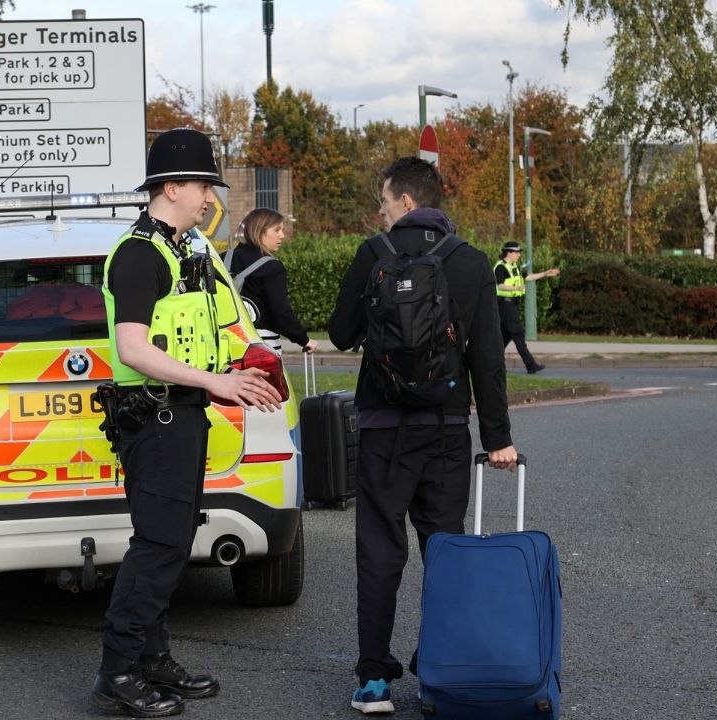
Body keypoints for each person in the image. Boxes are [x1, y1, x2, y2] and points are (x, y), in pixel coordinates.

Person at [92, 128, 284, 718]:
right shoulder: (138, 255)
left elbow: (196, 338)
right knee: (159, 547)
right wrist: (215, 383)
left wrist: (238, 369)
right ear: (171, 187)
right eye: (203, 185)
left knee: (169, 543)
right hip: (156, 418)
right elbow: (132, 348)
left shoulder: (184, 251)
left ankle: (152, 659)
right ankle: (117, 672)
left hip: (180, 415)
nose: (209, 197)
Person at [327, 156, 518, 715]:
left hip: (383, 430)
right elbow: (488, 358)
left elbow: (340, 334)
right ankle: (440, 670)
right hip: (445, 430)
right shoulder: (471, 261)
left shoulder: (373, 253)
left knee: (379, 550)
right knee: (445, 550)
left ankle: (373, 681)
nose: (380, 212)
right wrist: (498, 437)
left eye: (384, 202)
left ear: (406, 202)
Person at [226, 207, 318, 354]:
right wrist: (304, 339)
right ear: (259, 231)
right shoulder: (272, 267)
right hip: (260, 345)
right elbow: (281, 312)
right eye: (277, 230)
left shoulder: (221, 258)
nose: (282, 235)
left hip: (224, 343)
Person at [493, 242, 559, 374]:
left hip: (511, 305)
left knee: (505, 336)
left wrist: (545, 274)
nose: (519, 255)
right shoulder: (500, 267)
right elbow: (500, 285)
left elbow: (528, 277)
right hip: (505, 305)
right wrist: (516, 288)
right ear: (509, 253)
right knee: (518, 333)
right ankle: (531, 365)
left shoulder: (514, 267)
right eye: (517, 252)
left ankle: (494, 364)